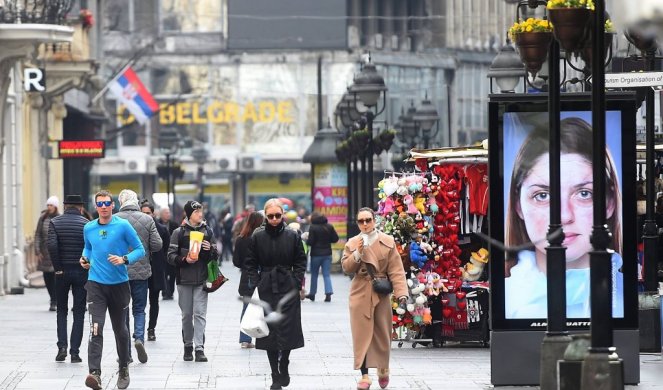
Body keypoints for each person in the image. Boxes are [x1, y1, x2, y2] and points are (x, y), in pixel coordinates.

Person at [504, 117, 624, 319]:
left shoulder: (627, 299)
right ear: (518, 205)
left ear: (610, 203)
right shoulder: (508, 302)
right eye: (543, 196)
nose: (563, 216)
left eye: (584, 193)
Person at [80, 190, 145, 390]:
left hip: (119, 286)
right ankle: (95, 374)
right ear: (96, 206)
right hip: (96, 285)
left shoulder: (123, 225)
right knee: (95, 328)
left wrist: (124, 260)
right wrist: (84, 259)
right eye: (100, 204)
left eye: (107, 203)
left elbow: (140, 250)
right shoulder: (89, 227)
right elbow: (88, 248)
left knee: (121, 331)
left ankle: (124, 368)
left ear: (113, 205)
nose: (104, 207)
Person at [341, 207, 408, 390]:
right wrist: (357, 254)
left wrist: (401, 293)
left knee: (382, 333)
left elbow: (396, 270)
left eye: (368, 220)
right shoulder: (353, 243)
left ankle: (383, 368)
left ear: (374, 220)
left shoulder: (387, 242)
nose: (365, 224)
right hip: (360, 292)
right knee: (361, 335)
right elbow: (346, 267)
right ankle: (364, 376)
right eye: (361, 221)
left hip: (380, 291)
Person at [244, 199, 306, 390]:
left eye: (277, 216)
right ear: (265, 216)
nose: (274, 219)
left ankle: (284, 363)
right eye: (270, 216)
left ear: (283, 215)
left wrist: (296, 280)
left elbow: (301, 260)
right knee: (269, 330)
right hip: (267, 286)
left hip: (287, 285)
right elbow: (250, 262)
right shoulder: (257, 236)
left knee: (288, 327)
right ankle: (274, 373)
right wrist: (256, 282)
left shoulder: (292, 235)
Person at [167, 200, 219, 363]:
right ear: (189, 214)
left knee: (200, 314)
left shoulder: (208, 231)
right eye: (196, 212)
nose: (200, 214)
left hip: (202, 280)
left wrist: (209, 249)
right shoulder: (179, 233)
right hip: (184, 280)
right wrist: (184, 259)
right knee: (186, 315)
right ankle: (188, 345)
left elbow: (216, 254)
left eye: (200, 211)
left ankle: (199, 348)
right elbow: (170, 256)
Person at [116, 189, 163, 364]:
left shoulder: (114, 219)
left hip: (119, 272)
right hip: (142, 272)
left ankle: (125, 353)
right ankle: (139, 339)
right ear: (136, 202)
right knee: (139, 309)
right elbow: (157, 245)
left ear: (121, 201)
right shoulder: (147, 219)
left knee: (122, 311)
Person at [47, 194, 90, 363]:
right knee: (79, 311)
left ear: (65, 206)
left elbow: (51, 245)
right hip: (81, 271)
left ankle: (61, 347)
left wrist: (57, 268)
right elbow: (90, 247)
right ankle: (75, 352)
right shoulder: (86, 224)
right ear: (80, 207)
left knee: (62, 310)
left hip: (61, 272)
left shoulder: (55, 222)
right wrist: (85, 264)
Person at [232, 211, 265, 349]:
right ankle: (264, 339)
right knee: (264, 308)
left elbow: (236, 261)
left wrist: (246, 267)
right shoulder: (262, 238)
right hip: (262, 275)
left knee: (246, 309)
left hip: (247, 277)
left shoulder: (241, 238)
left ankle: (245, 339)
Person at [140, 201, 171, 342]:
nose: (145, 216)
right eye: (143, 213)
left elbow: (166, 250)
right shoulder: (135, 228)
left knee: (154, 301)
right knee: (139, 302)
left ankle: (151, 329)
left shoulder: (162, 229)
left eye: (147, 213)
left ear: (153, 214)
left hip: (156, 270)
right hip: (140, 269)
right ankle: (139, 329)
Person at [305, 211, 339, 302]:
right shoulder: (329, 226)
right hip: (327, 254)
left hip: (316, 254)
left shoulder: (313, 227)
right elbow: (335, 239)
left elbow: (310, 242)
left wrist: (306, 240)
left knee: (314, 275)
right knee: (326, 274)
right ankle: (328, 292)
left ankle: (312, 294)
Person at [35, 195, 60, 311]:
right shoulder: (43, 218)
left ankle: (54, 300)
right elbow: (38, 235)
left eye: (51, 205)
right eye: (48, 205)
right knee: (47, 277)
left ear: (56, 207)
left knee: (55, 277)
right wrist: (37, 251)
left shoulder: (60, 218)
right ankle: (52, 298)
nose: (49, 207)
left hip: (55, 252)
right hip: (44, 253)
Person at [158, 206, 179, 300]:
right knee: (164, 274)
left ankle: (171, 292)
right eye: (166, 213)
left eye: (169, 212)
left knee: (173, 274)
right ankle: (165, 292)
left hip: (172, 252)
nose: (168, 214)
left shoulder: (174, 224)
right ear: (161, 214)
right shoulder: (157, 224)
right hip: (162, 253)